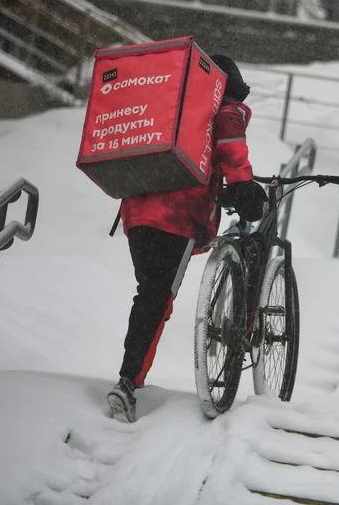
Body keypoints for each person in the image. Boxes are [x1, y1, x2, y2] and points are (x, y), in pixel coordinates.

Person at [106, 53, 267, 423]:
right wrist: (243, 187)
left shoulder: (171, 105)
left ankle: (129, 379)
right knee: (157, 298)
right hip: (176, 216)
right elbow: (230, 144)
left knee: (149, 292)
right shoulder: (225, 109)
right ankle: (128, 383)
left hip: (137, 210)